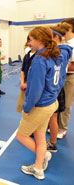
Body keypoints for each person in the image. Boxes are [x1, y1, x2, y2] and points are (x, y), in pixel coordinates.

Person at [16, 26, 72, 180]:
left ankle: (44, 155)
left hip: (40, 106)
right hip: (52, 102)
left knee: (21, 136)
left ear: (40, 41)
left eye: (31, 40)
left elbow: (35, 89)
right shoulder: (60, 54)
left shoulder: (40, 60)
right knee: (40, 136)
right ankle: (38, 168)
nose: (29, 43)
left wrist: (27, 107)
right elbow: (67, 48)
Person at [47, 23, 73, 152]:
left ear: (56, 38)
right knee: (53, 116)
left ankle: (52, 142)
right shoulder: (66, 50)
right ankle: (52, 141)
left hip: (54, 88)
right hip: (58, 86)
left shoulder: (59, 53)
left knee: (52, 116)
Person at [57, 18, 74, 138]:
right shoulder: (62, 43)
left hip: (70, 77)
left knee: (67, 103)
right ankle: (55, 124)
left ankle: (62, 128)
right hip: (60, 76)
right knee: (58, 101)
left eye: (64, 26)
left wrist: (59, 68)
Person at [16, 36, 36, 113]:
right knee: (23, 108)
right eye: (28, 41)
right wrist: (22, 83)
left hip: (33, 87)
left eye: (31, 41)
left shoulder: (39, 56)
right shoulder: (27, 55)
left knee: (33, 110)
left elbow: (36, 75)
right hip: (25, 86)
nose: (29, 43)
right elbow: (23, 70)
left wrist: (27, 84)